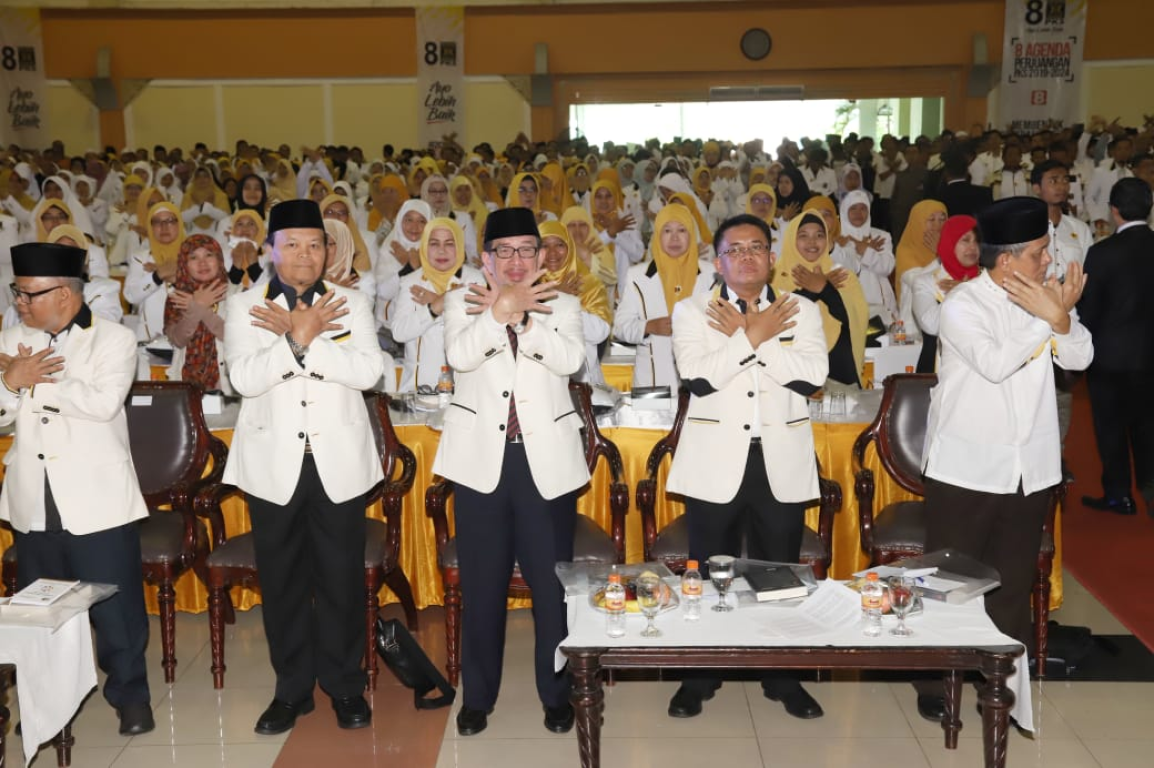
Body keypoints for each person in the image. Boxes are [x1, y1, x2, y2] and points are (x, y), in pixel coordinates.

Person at [921, 197, 1092, 712]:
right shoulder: (962, 305)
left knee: (1011, 584)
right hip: (966, 468)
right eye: (1040, 252)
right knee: (951, 585)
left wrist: (1059, 317)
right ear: (1007, 260)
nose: (1049, 261)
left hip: (1030, 468)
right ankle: (935, 685)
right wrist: (1048, 317)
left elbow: (1081, 356)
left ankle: (997, 686)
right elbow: (996, 364)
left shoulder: (1047, 298)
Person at [223, 199, 383, 734]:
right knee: (283, 579)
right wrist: (297, 337)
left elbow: (368, 371)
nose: (304, 254)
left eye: (315, 244)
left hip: (338, 458)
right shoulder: (243, 303)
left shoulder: (351, 302)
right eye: (291, 243)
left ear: (328, 249)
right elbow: (244, 379)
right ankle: (291, 689)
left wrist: (304, 336)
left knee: (341, 577)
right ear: (272, 249)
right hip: (273, 461)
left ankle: (344, 686)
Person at [665, 213, 828, 721]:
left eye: (756, 247)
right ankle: (700, 674)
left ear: (772, 257)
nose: (747, 257)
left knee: (778, 569)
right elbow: (699, 378)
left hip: (779, 458)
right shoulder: (692, 311)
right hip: (715, 460)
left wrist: (753, 337)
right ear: (718, 260)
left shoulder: (800, 309)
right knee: (708, 568)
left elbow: (812, 377)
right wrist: (753, 337)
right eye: (735, 250)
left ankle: (781, 675)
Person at [432, 207, 588, 738]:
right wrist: (498, 313)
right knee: (482, 586)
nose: (517, 261)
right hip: (481, 464)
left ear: (543, 256)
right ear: (486, 259)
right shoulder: (462, 301)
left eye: (527, 250)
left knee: (551, 588)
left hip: (544, 462)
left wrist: (523, 317)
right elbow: (460, 355)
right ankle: (478, 697)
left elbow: (569, 362)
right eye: (505, 251)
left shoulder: (563, 304)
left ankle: (556, 692)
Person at [0, 242, 155, 736]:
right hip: (34, 494)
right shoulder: (12, 337)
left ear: (64, 294)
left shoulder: (113, 338)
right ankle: (49, 705)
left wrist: (30, 380)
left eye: (29, 295)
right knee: (45, 608)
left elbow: (102, 402)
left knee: (116, 610)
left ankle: (131, 698)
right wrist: (9, 386)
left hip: (95, 496)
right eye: (18, 293)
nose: (20, 304)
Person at [1077, 178, 1154, 516]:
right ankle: (1151, 491)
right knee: (1148, 426)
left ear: (1114, 210)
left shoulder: (1101, 252)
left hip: (1109, 355)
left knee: (1110, 428)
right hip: (1150, 356)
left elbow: (1088, 309)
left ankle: (1118, 495)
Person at [614, 205, 716, 389]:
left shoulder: (711, 275)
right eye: (667, 230)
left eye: (682, 230)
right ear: (657, 235)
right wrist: (648, 326)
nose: (674, 237)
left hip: (701, 382)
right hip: (651, 380)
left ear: (691, 234)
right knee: (649, 418)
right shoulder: (636, 276)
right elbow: (620, 327)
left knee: (699, 418)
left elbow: (723, 324)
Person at [773, 210, 869, 387]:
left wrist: (825, 288)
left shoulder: (842, 275)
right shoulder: (775, 276)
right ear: (791, 239)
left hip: (839, 367)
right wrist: (815, 289)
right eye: (803, 236)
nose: (812, 242)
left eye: (819, 235)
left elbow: (853, 319)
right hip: (792, 367)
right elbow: (778, 318)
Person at [391, 217, 483, 392]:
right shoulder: (411, 281)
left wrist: (441, 301)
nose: (442, 251)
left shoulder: (474, 280)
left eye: (449, 244)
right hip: (419, 387)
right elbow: (399, 332)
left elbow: (478, 330)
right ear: (425, 246)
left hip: (465, 389)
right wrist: (433, 309)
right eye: (434, 244)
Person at [538, 221, 612, 386]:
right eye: (545, 246)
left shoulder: (588, 282)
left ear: (570, 247)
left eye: (559, 245)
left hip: (582, 382)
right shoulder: (529, 284)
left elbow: (600, 332)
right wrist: (555, 296)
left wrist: (561, 302)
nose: (552, 253)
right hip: (539, 381)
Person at [907, 215, 979, 372]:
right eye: (966, 240)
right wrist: (962, 292)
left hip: (979, 371)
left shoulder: (987, 279)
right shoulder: (925, 282)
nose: (973, 247)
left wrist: (970, 288)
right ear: (949, 242)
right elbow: (931, 325)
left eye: (977, 241)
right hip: (937, 373)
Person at [163, 235, 232, 392]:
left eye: (209, 255)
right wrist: (198, 306)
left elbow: (233, 337)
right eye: (193, 257)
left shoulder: (237, 293)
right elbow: (178, 340)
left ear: (219, 259)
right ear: (184, 264)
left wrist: (199, 308)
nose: (202, 263)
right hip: (186, 385)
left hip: (228, 385)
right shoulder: (176, 298)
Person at [832, 190, 897, 330]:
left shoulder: (881, 236)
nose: (858, 213)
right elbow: (840, 269)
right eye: (853, 208)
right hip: (848, 305)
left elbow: (886, 268)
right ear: (844, 211)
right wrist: (862, 247)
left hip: (880, 305)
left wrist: (863, 249)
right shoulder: (836, 239)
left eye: (863, 208)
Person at [124, 201, 187, 340]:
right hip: (148, 338)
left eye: (170, 221)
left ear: (179, 224)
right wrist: (158, 276)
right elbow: (130, 296)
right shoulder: (141, 258)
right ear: (150, 227)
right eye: (157, 222)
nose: (164, 227)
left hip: (188, 338)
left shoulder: (194, 256)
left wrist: (174, 277)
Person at [894, 199, 947, 302]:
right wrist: (941, 255)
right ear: (917, 222)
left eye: (942, 219)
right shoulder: (906, 250)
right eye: (931, 220)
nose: (938, 226)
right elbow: (917, 282)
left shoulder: (953, 246)